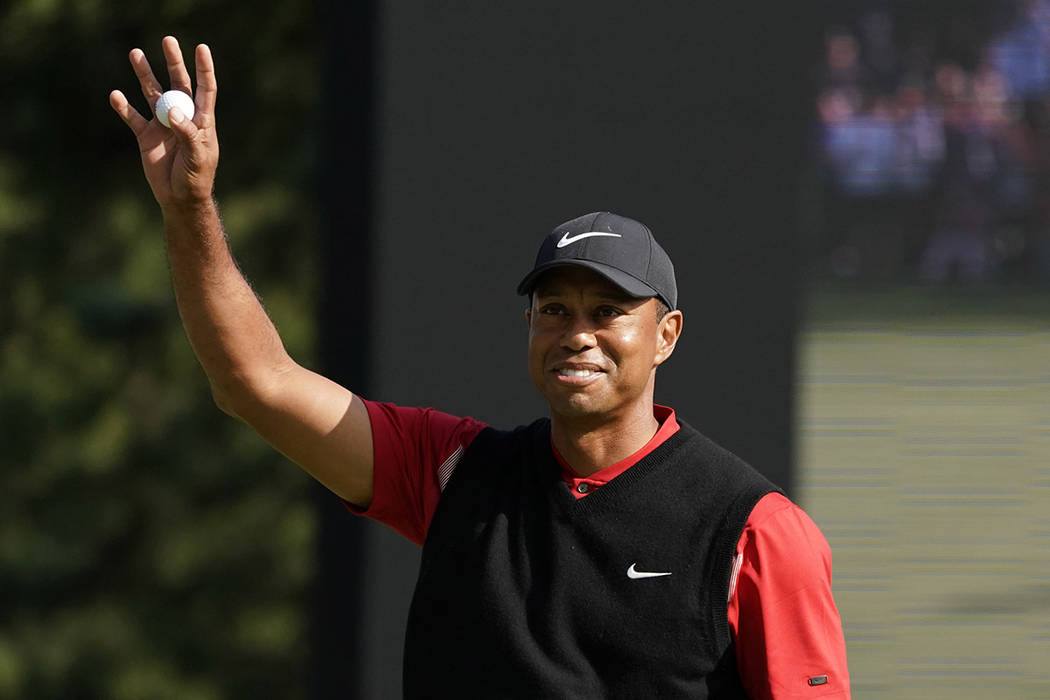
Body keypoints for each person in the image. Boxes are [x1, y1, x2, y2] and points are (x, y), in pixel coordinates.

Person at [112, 37, 851, 699]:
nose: (577, 334)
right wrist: (190, 212)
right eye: (555, 309)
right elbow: (256, 382)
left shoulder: (753, 530)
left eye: (608, 311)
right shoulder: (456, 472)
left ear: (666, 335)